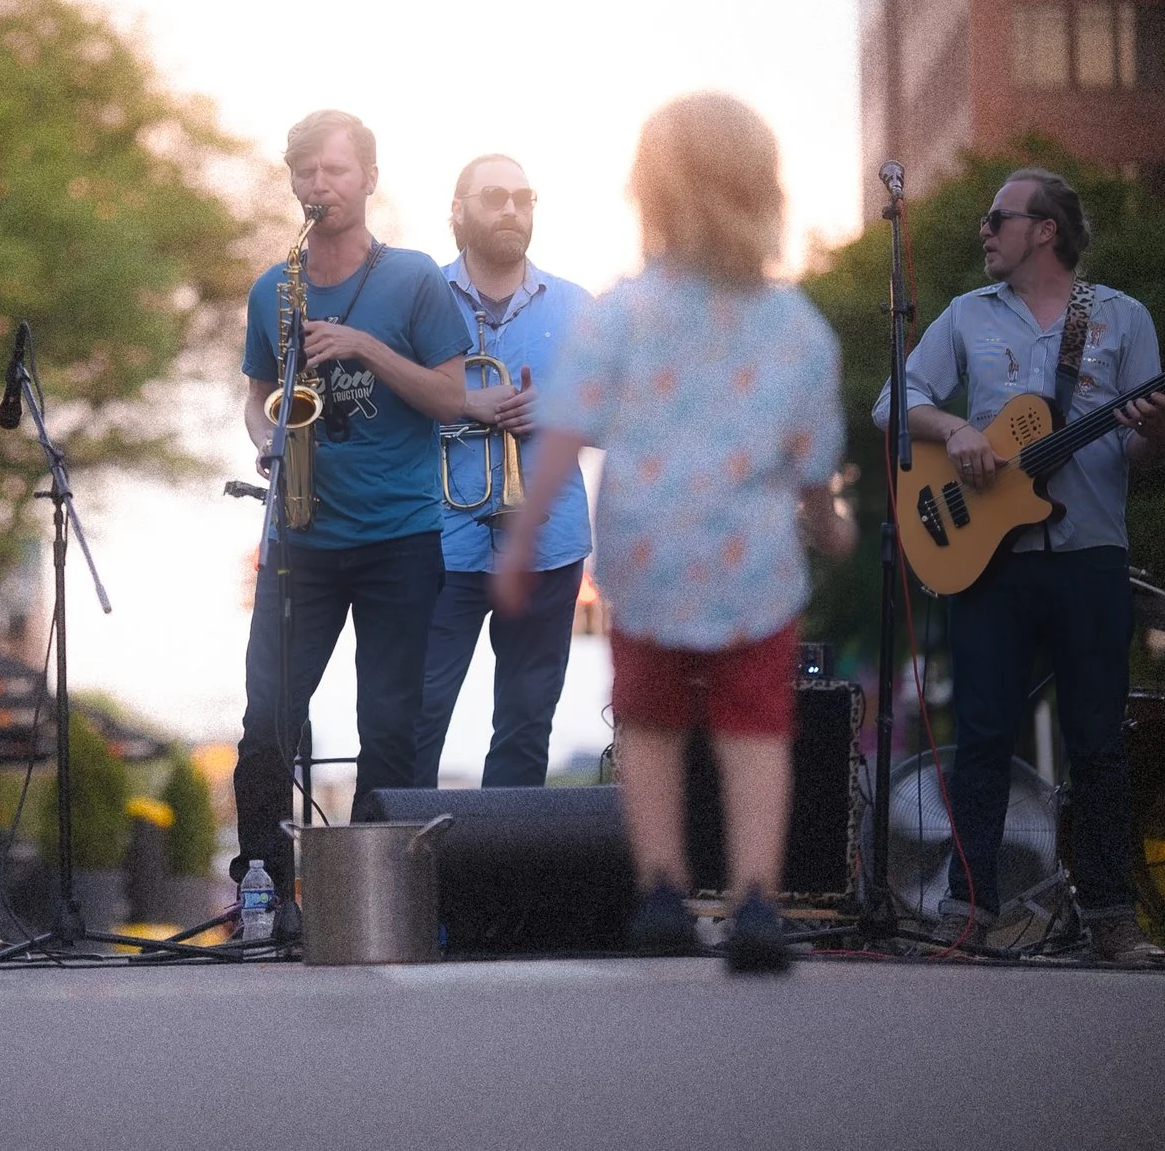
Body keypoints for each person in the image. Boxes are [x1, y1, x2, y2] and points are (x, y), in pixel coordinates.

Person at [499, 93, 853, 972]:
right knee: (755, 729)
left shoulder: (618, 314)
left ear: (648, 192)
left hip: (649, 557)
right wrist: (832, 527)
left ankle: (661, 891)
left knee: (651, 721)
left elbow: (565, 435)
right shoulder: (795, 325)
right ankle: (758, 902)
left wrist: (519, 543)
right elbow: (812, 466)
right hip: (755, 566)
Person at [873, 166, 1165, 963]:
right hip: (989, 563)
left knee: (1100, 741)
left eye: (996, 219)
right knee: (981, 737)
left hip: (1091, 558)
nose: (983, 231)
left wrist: (1156, 430)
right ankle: (971, 909)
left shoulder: (1121, 318)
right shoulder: (967, 317)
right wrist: (956, 430)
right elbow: (892, 402)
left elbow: (1151, 454)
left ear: (1044, 230)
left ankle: (1112, 917)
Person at [232, 110, 476, 918]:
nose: (317, 187)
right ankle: (262, 892)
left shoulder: (413, 279)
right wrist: (267, 436)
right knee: (265, 721)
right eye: (305, 174)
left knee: (391, 728)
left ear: (369, 179)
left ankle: (386, 902)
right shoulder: (275, 287)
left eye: (334, 172)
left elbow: (453, 397)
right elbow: (255, 399)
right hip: (301, 535)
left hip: (399, 539)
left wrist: (364, 347)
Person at [414, 153, 594, 788]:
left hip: (548, 545)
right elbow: (378, 409)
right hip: (438, 540)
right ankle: (400, 879)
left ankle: (499, 886)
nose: (512, 208)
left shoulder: (578, 307)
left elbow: (627, 417)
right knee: (416, 720)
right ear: (457, 211)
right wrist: (457, 401)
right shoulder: (416, 298)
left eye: (524, 197)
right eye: (494, 196)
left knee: (524, 728)